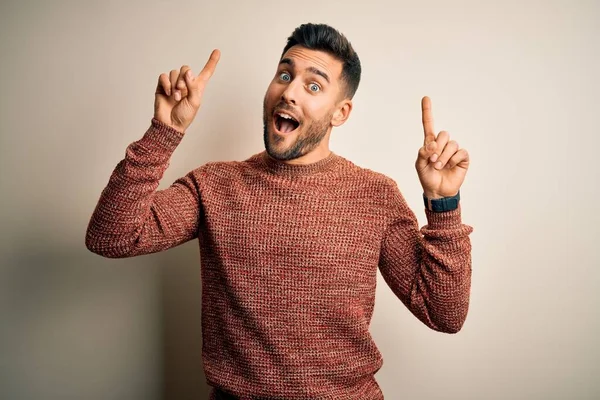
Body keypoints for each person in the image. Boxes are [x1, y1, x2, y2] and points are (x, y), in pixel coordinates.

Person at [86, 23, 473, 400]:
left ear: (340, 112)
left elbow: (444, 314)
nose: (290, 91)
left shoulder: (375, 196)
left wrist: (443, 206)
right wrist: (163, 132)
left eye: (314, 85)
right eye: (284, 74)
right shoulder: (215, 185)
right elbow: (112, 236)